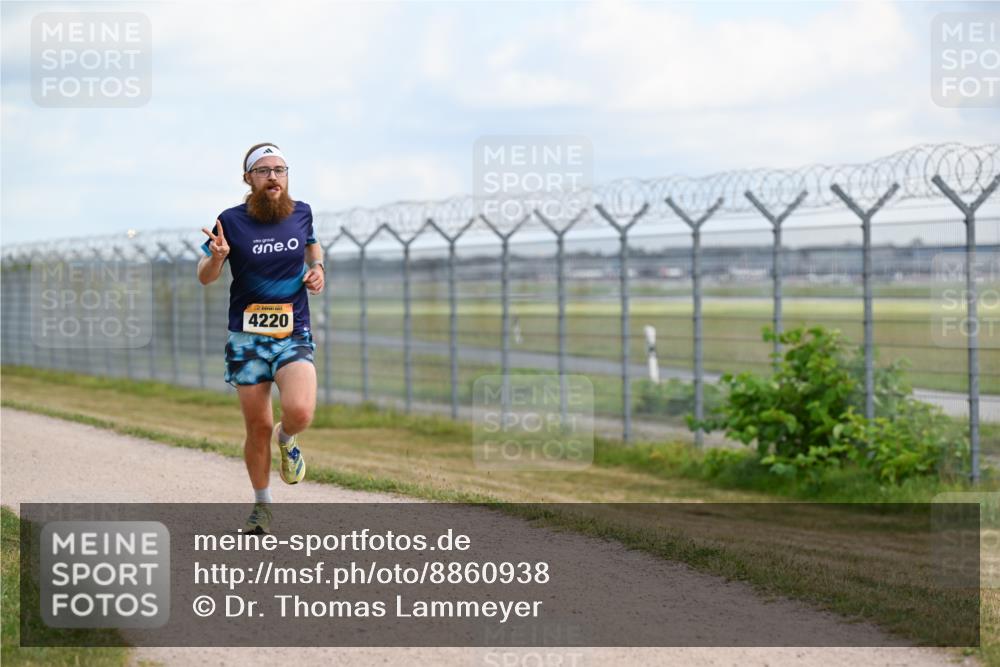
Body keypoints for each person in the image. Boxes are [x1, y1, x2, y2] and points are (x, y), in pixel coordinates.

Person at [197, 142, 325, 535]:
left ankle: (289, 441)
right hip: (246, 339)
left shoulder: (301, 212)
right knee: (257, 427)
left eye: (280, 169)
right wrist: (217, 257)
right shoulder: (230, 221)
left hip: (292, 332)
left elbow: (311, 244)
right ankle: (262, 506)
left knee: (300, 411)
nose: (273, 176)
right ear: (248, 178)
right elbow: (205, 274)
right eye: (264, 170)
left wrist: (317, 266)